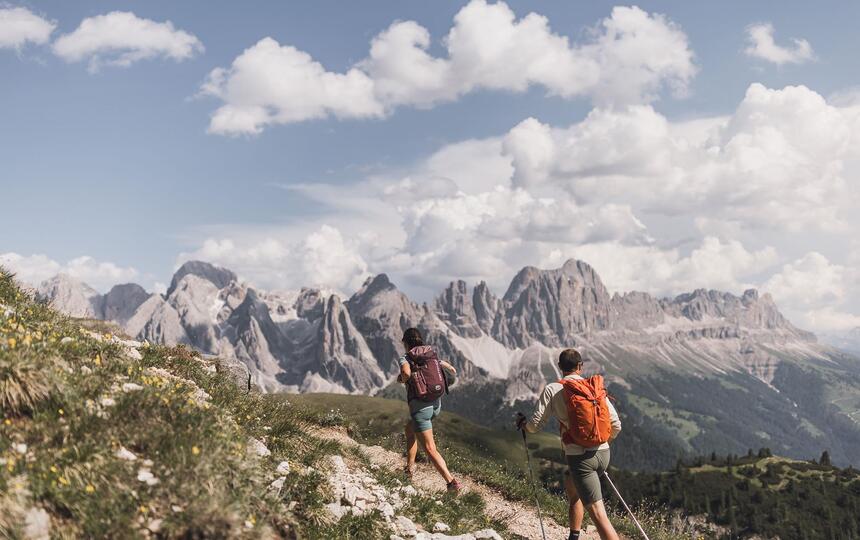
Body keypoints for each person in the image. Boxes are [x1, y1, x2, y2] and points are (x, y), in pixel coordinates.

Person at [517, 349, 622, 540]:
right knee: (573, 488)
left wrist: (524, 425)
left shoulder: (553, 389)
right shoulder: (594, 388)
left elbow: (534, 425)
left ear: (559, 367)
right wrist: (599, 442)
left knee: (599, 515)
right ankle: (574, 535)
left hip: (580, 458)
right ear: (580, 367)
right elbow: (616, 425)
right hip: (604, 453)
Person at [398, 327, 462, 492]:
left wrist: (402, 378)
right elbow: (444, 365)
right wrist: (451, 368)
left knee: (430, 448)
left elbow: (405, 372)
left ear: (406, 343)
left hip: (421, 409)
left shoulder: (405, 357)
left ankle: (451, 482)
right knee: (409, 430)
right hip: (436, 404)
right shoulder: (429, 352)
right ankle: (409, 470)